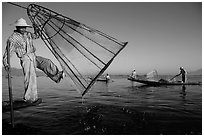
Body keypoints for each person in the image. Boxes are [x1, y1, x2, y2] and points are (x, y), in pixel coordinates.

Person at [3, 18, 65, 103]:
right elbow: (8, 53)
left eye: (24, 27)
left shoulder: (27, 34)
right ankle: (29, 98)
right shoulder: (13, 39)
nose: (23, 29)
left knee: (47, 62)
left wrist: (36, 27)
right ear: (17, 27)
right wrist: (6, 64)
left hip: (33, 56)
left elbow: (36, 36)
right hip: (25, 58)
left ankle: (57, 75)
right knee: (30, 77)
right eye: (21, 27)